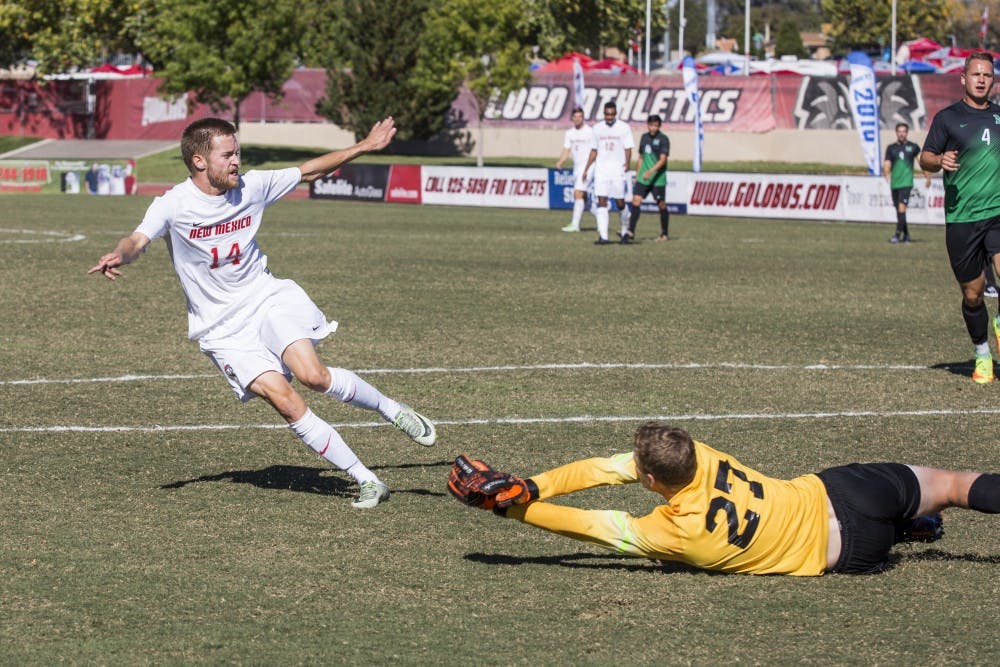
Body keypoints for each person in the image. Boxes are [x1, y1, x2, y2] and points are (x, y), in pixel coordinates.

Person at [88, 116, 436, 509]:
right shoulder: (173, 204)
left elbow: (310, 170)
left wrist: (364, 146)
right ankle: (366, 480)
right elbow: (137, 240)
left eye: (238, 152)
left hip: (267, 299)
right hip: (222, 330)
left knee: (314, 377)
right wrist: (120, 254)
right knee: (287, 402)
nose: (237, 160)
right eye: (228, 154)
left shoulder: (252, 186)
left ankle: (392, 410)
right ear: (200, 161)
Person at [449, 422, 999, 576]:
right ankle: (912, 517)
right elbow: (605, 471)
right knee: (954, 485)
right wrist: (533, 485)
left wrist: (514, 504)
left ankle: (904, 528)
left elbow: (592, 524)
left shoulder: (674, 533)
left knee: (886, 532)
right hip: (845, 489)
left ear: (651, 482)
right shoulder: (699, 453)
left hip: (850, 548)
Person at [919, 51, 1000, 384]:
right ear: (963, 79)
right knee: (972, 294)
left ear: (993, 81)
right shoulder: (948, 118)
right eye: (975, 74)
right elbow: (924, 158)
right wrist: (940, 161)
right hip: (962, 218)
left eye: (987, 75)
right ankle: (983, 354)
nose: (981, 79)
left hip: (997, 212)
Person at [582, 101, 633, 245]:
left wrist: (627, 163)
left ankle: (624, 231)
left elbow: (628, 147)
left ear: (615, 114)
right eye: (607, 114)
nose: (609, 117)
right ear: (604, 114)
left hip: (618, 170)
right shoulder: (597, 129)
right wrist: (586, 169)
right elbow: (594, 150)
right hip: (602, 171)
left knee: (620, 203)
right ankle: (603, 236)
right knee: (602, 202)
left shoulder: (624, 128)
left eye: (611, 114)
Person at [883, 122, 930, 244]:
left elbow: (922, 162)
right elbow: (887, 163)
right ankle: (907, 235)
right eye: (899, 131)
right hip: (895, 184)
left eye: (903, 131)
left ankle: (897, 235)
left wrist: (927, 177)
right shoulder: (891, 148)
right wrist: (887, 173)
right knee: (899, 211)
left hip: (906, 183)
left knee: (901, 208)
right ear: (896, 133)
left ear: (907, 132)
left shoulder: (913, 147)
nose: (901, 133)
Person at [627, 114, 671, 242]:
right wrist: (637, 174)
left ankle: (664, 234)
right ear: (647, 125)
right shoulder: (644, 138)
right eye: (651, 125)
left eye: (656, 126)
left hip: (658, 178)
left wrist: (651, 172)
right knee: (636, 201)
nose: (653, 128)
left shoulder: (663, 139)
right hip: (644, 177)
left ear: (659, 126)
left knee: (661, 204)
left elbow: (663, 160)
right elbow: (641, 157)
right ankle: (631, 231)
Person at [555, 107, 596, 233]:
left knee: (578, 192)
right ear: (572, 118)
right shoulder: (570, 133)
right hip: (577, 167)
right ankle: (601, 216)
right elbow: (567, 149)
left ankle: (575, 225)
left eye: (580, 116)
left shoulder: (590, 131)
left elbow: (595, 150)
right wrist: (561, 161)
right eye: (575, 116)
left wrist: (591, 166)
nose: (578, 119)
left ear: (583, 117)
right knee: (583, 197)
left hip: (589, 166)